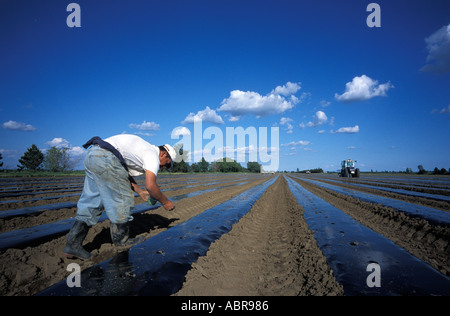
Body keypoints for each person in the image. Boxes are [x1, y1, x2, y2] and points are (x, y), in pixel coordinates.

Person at [62, 134, 177, 260]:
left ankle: (72, 245)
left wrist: (139, 191)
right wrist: (165, 202)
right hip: (106, 158)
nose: (163, 167)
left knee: (91, 202)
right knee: (122, 200)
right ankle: (122, 241)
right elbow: (150, 185)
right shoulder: (152, 155)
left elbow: (122, 171)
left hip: (93, 154)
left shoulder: (142, 148)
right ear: (164, 155)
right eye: (166, 164)